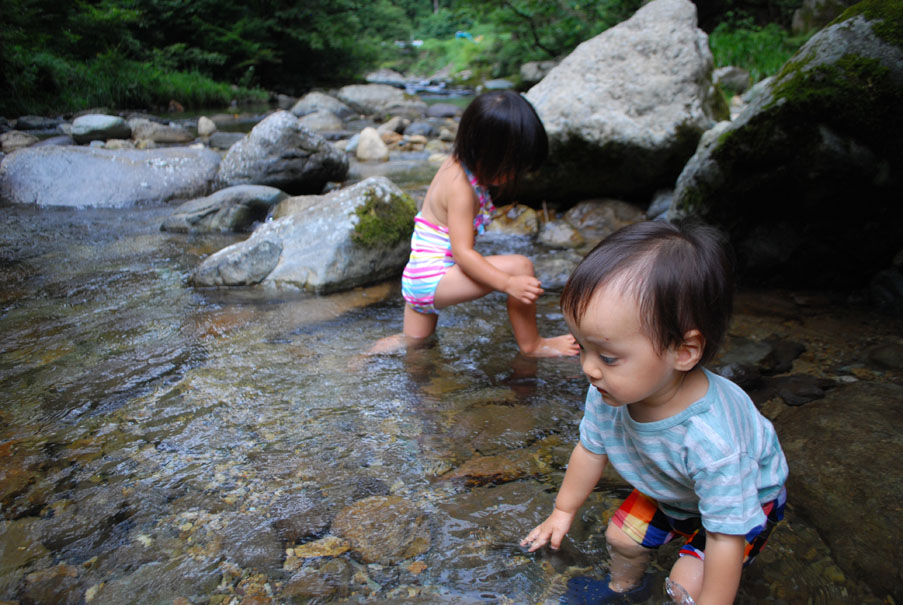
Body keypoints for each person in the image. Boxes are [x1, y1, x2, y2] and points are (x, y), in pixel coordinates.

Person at [520, 220, 788, 604]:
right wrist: (562, 511)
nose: (589, 369)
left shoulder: (714, 443)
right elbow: (590, 450)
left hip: (746, 501)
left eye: (608, 357)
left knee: (686, 585)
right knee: (620, 538)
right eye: (582, 346)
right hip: (675, 491)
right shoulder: (609, 391)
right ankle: (622, 592)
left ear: (684, 351)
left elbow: (725, 537)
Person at [379, 90, 578, 357]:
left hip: (419, 276)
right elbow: (462, 254)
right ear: (485, 153)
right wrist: (508, 283)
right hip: (434, 277)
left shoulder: (456, 164)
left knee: (413, 343)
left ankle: (363, 358)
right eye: (511, 168)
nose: (512, 176)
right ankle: (533, 345)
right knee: (521, 267)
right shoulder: (460, 188)